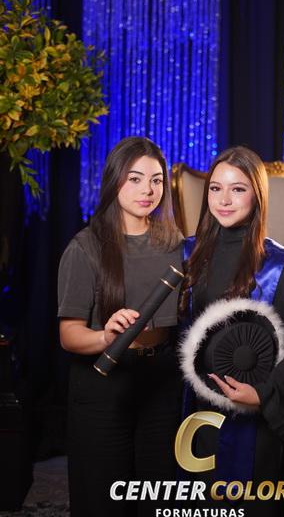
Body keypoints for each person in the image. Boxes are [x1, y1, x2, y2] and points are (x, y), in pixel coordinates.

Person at [179, 146, 284, 516]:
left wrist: (262, 395)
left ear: (257, 195)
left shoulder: (277, 268)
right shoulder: (187, 256)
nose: (224, 200)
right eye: (215, 188)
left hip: (253, 418)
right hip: (196, 409)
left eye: (237, 189)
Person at [58, 137, 183, 517]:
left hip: (161, 382)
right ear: (114, 181)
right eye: (135, 179)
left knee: (158, 497)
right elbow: (69, 335)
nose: (148, 190)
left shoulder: (175, 244)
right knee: (104, 499)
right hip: (103, 384)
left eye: (156, 180)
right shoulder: (85, 247)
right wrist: (105, 337)